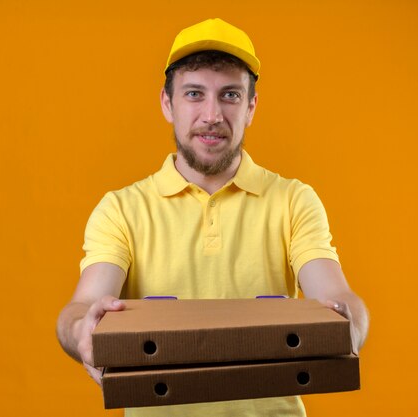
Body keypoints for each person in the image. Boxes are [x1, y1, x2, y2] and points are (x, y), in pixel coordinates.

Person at [56, 17, 369, 417]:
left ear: (251, 107)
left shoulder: (293, 200)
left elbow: (338, 297)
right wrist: (83, 330)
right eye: (193, 93)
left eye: (230, 95)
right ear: (167, 104)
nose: (211, 115)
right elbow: (81, 308)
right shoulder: (121, 209)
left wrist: (350, 327)